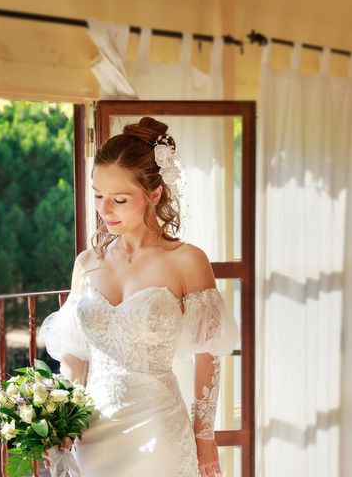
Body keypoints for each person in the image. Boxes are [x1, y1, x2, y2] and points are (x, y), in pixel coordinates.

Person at [39, 116, 239, 477]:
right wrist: (60, 422)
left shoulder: (187, 261)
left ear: (155, 194)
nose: (104, 209)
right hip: (92, 433)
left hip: (158, 430)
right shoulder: (87, 263)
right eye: (98, 195)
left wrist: (204, 437)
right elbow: (75, 356)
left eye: (119, 199)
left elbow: (207, 356)